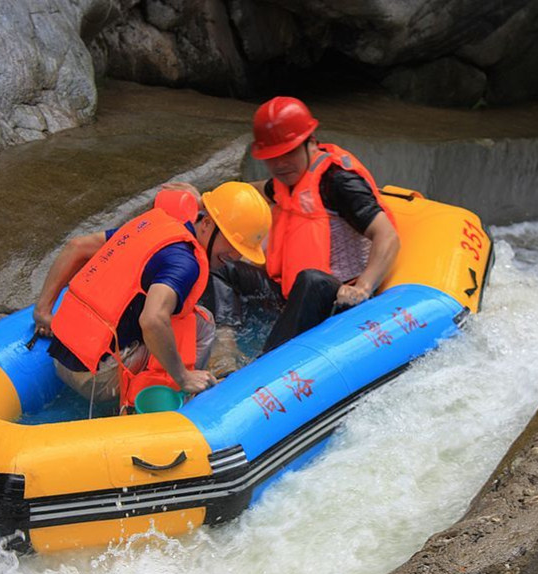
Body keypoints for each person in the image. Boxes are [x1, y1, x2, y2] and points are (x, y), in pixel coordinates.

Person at [32, 182, 271, 410]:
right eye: (230, 244)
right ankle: (167, 397)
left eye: (238, 251)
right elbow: (152, 320)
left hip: (61, 352)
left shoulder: (153, 226)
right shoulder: (185, 263)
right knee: (200, 323)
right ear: (206, 223)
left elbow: (77, 246)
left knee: (175, 312)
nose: (233, 256)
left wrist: (43, 311)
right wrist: (183, 376)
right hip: (96, 378)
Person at [247, 96, 401, 351]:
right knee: (227, 270)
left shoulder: (339, 182)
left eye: (288, 153)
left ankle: (265, 366)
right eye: (272, 157)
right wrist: (205, 198)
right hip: (292, 293)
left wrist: (363, 287)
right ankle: (223, 350)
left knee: (312, 281)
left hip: (338, 295)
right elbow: (258, 190)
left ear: (310, 142)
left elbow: (388, 236)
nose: (280, 164)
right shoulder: (289, 179)